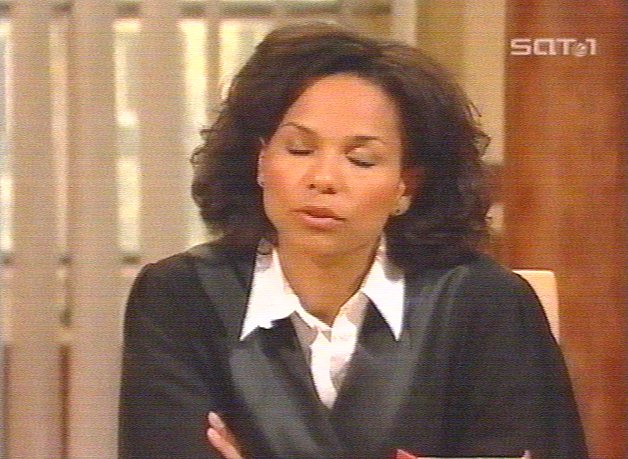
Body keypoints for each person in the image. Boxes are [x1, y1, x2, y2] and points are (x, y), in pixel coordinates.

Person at [119, 22, 588, 459]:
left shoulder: (485, 303)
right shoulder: (181, 296)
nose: (323, 178)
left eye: (361, 159)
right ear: (260, 161)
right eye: (299, 149)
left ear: (406, 186)